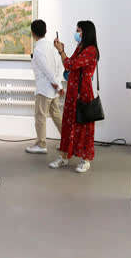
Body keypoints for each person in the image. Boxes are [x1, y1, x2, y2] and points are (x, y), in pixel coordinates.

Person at [49, 21, 99, 173]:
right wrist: (62, 52)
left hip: (83, 93)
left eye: (79, 30)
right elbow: (70, 65)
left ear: (86, 32)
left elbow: (71, 64)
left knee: (84, 127)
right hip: (73, 92)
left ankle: (85, 160)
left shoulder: (91, 50)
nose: (76, 33)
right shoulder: (81, 47)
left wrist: (61, 51)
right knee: (68, 125)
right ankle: (64, 157)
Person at [26, 19, 64, 154]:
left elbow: (46, 70)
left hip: (44, 89)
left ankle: (41, 144)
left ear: (32, 33)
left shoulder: (38, 49)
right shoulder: (53, 47)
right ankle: (67, 142)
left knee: (40, 117)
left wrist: (57, 85)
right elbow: (60, 66)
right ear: (46, 31)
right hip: (53, 90)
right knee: (56, 115)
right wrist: (58, 85)